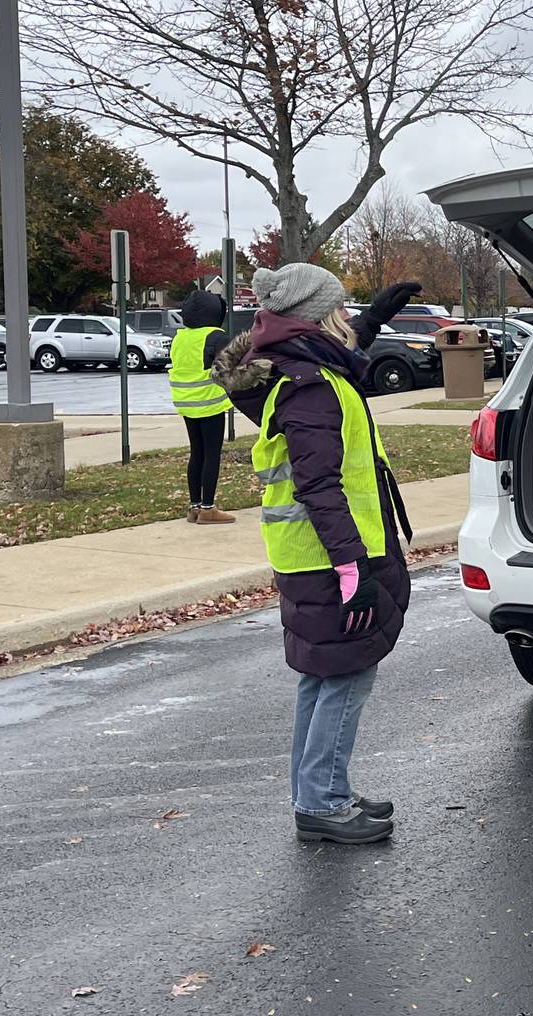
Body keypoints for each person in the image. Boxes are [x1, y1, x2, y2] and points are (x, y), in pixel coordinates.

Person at [211, 265, 423, 844]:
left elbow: (344, 355)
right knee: (348, 675)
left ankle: (318, 791)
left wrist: (376, 317)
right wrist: (353, 570)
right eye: (342, 309)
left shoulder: (298, 370)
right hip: (333, 557)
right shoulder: (312, 388)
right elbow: (320, 485)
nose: (349, 318)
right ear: (320, 317)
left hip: (311, 554)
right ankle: (322, 802)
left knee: (323, 674)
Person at [169, 289, 235, 523]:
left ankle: (194, 506)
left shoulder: (181, 337)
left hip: (186, 402)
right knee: (211, 454)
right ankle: (208, 508)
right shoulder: (216, 336)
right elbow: (229, 366)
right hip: (210, 403)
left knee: (196, 452)